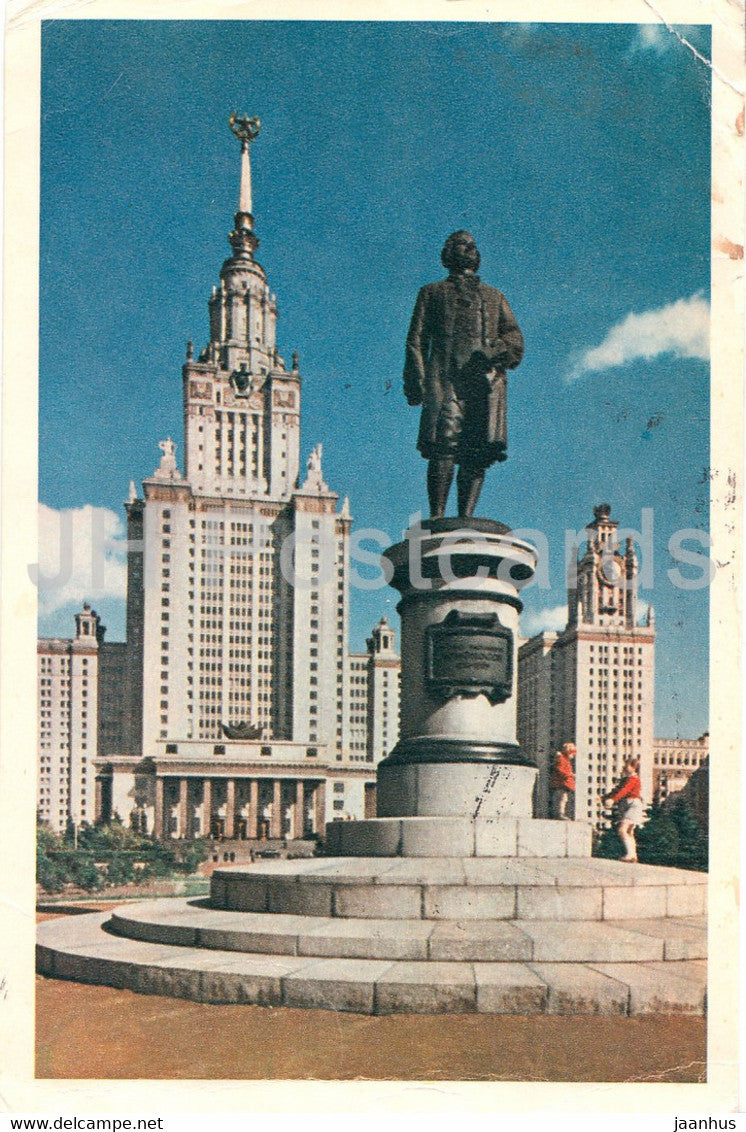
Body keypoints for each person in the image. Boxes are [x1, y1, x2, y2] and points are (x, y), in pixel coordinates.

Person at [403, 230, 524, 519]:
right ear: (448, 254)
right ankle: (437, 516)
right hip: (446, 380)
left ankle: (466, 518)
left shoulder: (494, 297)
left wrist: (493, 353)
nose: (468, 250)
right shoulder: (431, 292)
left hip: (483, 383)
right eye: (461, 245)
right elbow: (416, 340)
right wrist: (417, 380)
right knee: (443, 445)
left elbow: (515, 339)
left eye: (472, 246)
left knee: (477, 449)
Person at [604, 758, 645, 862]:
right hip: (627, 805)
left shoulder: (633, 779)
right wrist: (604, 797)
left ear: (634, 767)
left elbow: (624, 790)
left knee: (622, 830)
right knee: (629, 831)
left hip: (633, 805)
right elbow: (617, 789)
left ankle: (630, 854)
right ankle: (633, 855)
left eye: (627, 765)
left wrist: (613, 799)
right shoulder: (626, 779)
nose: (624, 767)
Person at [550, 742, 576, 819]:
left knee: (563, 798)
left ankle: (560, 813)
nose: (573, 755)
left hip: (563, 784)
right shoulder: (561, 759)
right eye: (572, 753)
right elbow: (560, 770)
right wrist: (570, 774)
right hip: (561, 784)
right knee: (561, 798)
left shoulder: (564, 760)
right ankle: (559, 813)